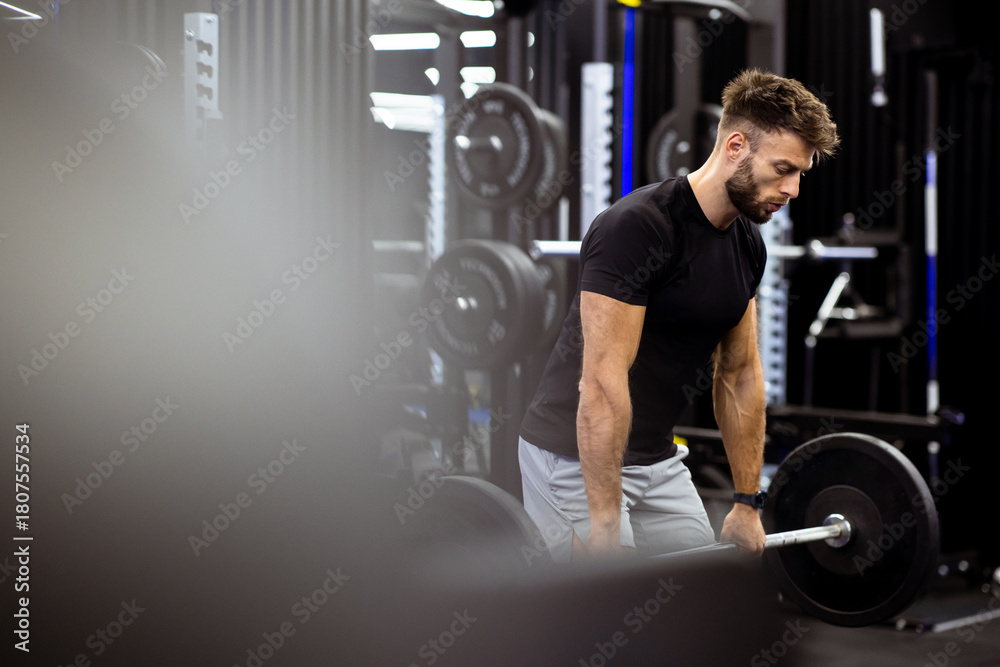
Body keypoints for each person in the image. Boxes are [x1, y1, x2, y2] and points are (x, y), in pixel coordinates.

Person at [518, 69, 839, 562]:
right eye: (783, 169)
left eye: (800, 173)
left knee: (696, 601)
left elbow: (739, 375)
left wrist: (747, 502)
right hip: (573, 455)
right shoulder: (637, 228)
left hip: (656, 458)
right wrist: (605, 525)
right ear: (736, 146)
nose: (793, 189)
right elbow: (603, 384)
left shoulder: (748, 244)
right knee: (603, 614)